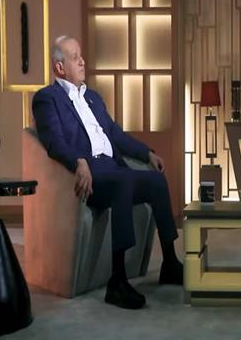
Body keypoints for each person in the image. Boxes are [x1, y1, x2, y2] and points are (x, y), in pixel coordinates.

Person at [32, 35, 183, 310]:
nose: (82, 61)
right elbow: (54, 142)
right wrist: (79, 161)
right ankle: (118, 281)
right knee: (123, 184)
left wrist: (146, 153)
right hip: (90, 175)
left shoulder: (93, 98)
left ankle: (170, 263)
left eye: (81, 55)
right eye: (75, 57)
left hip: (113, 169)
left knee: (156, 181)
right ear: (59, 67)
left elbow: (115, 134)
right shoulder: (47, 99)